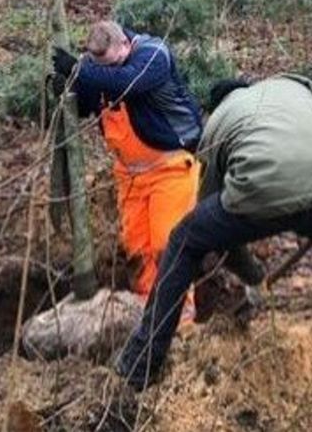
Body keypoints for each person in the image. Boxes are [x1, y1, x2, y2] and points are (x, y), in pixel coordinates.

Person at [115, 73, 312, 432]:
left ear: (216, 105)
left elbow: (214, 230)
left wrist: (248, 273)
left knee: (184, 238)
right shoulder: (295, 85)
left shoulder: (216, 124)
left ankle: (139, 367)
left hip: (261, 190)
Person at [52, 21, 203, 312]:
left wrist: (80, 71)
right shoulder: (96, 67)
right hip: (129, 176)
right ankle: (147, 310)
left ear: (125, 45)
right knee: (137, 250)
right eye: (101, 67)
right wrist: (67, 87)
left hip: (170, 169)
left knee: (166, 247)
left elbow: (127, 83)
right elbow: (85, 104)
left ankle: (180, 321)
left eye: (113, 64)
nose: (108, 72)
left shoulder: (154, 55)